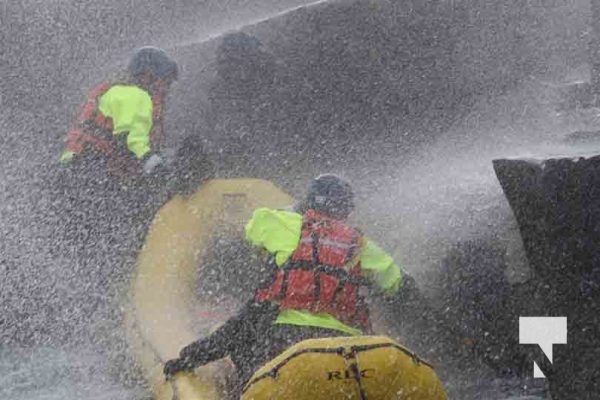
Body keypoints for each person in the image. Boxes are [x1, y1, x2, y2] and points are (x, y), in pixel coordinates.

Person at [163, 174, 418, 387]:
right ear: (346, 210)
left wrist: (188, 358)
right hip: (350, 353)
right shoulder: (361, 245)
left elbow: (253, 230)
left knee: (242, 338)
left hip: (285, 346)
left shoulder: (281, 224)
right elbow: (402, 288)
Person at [59, 46, 178, 177]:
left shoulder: (118, 92)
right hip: (91, 167)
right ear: (148, 77)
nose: (167, 88)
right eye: (165, 81)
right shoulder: (136, 96)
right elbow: (129, 140)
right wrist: (155, 165)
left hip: (73, 165)